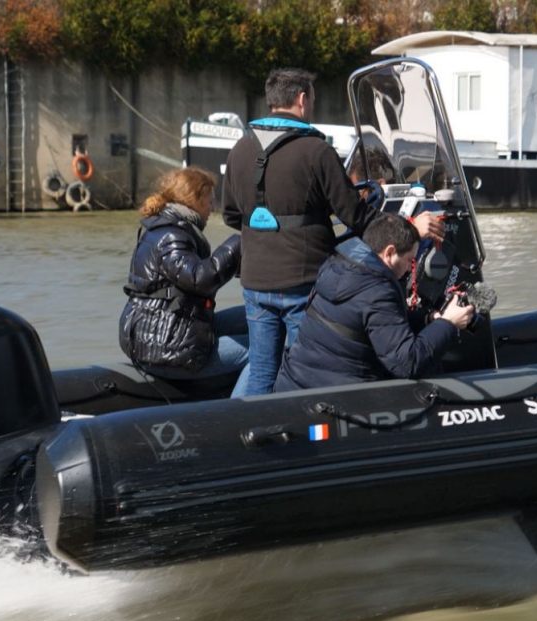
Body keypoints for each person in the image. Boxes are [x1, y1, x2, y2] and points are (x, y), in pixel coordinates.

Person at [221, 67, 445, 396]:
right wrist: (411, 228)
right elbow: (356, 216)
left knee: (262, 368)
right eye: (311, 98)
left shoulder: (240, 149)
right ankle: (304, 436)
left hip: (255, 281)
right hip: (303, 282)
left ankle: (248, 432)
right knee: (305, 371)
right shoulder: (316, 151)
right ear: (302, 99)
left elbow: (230, 214)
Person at [273, 213, 473, 392]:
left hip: (294, 382)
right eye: (409, 260)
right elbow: (407, 364)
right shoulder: (378, 291)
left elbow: (374, 320)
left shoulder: (337, 264)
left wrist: (428, 319)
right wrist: (448, 324)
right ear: (389, 252)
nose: (408, 268)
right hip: (335, 398)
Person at [119, 166, 250, 397]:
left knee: (252, 315)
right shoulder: (171, 235)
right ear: (195, 200)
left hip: (176, 328)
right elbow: (200, 279)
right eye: (209, 200)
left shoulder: (168, 228)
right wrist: (237, 243)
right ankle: (237, 415)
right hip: (167, 348)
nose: (212, 207)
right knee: (264, 352)